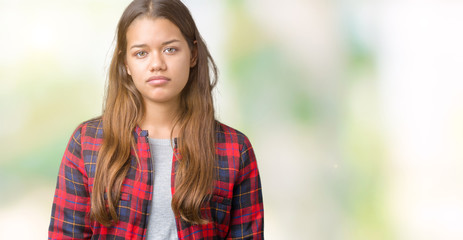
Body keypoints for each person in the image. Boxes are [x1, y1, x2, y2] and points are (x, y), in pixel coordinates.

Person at [47, 0, 264, 239]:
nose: (157, 64)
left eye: (170, 49)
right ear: (125, 63)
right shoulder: (87, 142)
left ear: (192, 55)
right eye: (141, 53)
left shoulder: (234, 149)